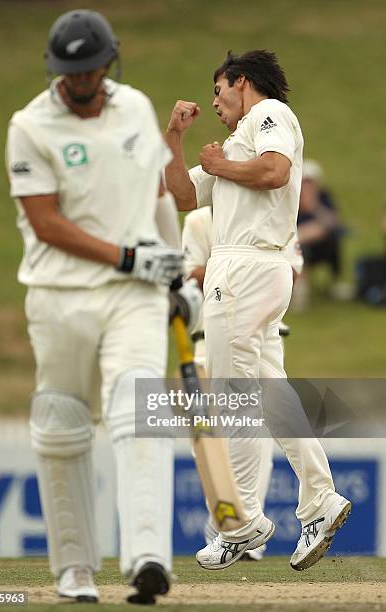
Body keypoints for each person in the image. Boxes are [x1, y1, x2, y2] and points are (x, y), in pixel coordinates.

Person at [6, 9, 200, 605]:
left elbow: (158, 193)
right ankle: (74, 571)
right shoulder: (29, 125)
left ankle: (147, 556)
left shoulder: (136, 107)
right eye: (72, 72)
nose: (82, 81)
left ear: (109, 62)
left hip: (133, 297)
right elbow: (45, 223)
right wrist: (127, 257)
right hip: (60, 297)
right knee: (63, 429)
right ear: (55, 70)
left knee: (139, 410)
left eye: (91, 69)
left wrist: (176, 271)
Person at [165, 49, 351, 571]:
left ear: (241, 82)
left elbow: (274, 170)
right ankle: (321, 499)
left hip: (245, 267)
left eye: (218, 90)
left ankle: (241, 523)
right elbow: (182, 196)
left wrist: (223, 164)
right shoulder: (234, 143)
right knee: (271, 392)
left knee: (232, 397)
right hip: (251, 269)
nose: (215, 103)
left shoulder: (270, 116)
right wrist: (176, 140)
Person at [182, 206, 304, 561]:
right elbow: (190, 276)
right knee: (207, 442)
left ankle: (246, 527)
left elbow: (291, 273)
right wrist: (236, 268)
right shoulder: (199, 221)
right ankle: (227, 522)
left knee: (255, 426)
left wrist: (228, 269)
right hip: (208, 340)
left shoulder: (277, 214)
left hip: (260, 337)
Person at [292, 159, 347, 309]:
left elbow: (333, 222)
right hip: (297, 244)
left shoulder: (323, 197)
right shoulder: (290, 199)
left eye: (311, 182)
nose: (307, 186)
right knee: (300, 249)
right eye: (304, 182)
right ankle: (299, 290)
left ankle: (333, 284)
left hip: (322, 243)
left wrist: (315, 207)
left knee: (332, 240)